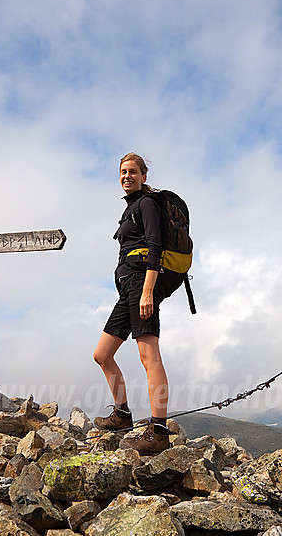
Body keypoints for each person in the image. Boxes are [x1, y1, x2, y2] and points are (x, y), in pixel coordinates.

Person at [92, 152, 183, 454]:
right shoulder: (131, 207)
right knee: (102, 354)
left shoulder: (146, 204)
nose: (126, 176)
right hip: (127, 289)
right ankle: (122, 415)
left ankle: (158, 430)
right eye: (122, 172)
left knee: (149, 357)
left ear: (144, 176)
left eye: (132, 172)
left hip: (142, 285)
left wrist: (148, 291)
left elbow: (155, 246)